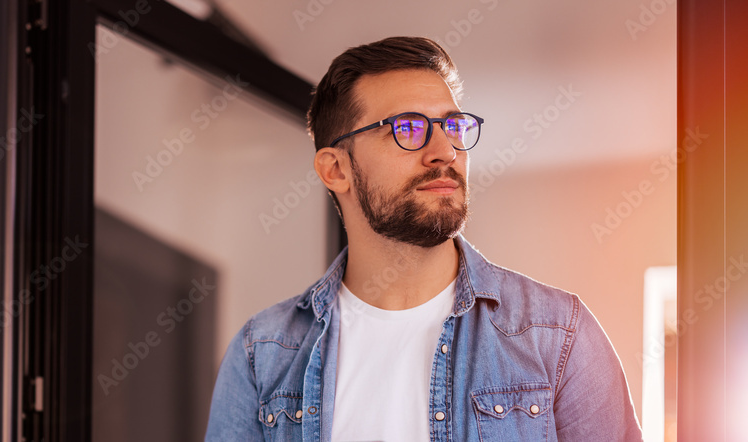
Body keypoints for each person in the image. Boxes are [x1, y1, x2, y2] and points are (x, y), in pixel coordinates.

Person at [204, 36, 643, 441]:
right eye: (408, 129)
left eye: (453, 127)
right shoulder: (262, 355)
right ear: (336, 170)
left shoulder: (558, 334)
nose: (445, 152)